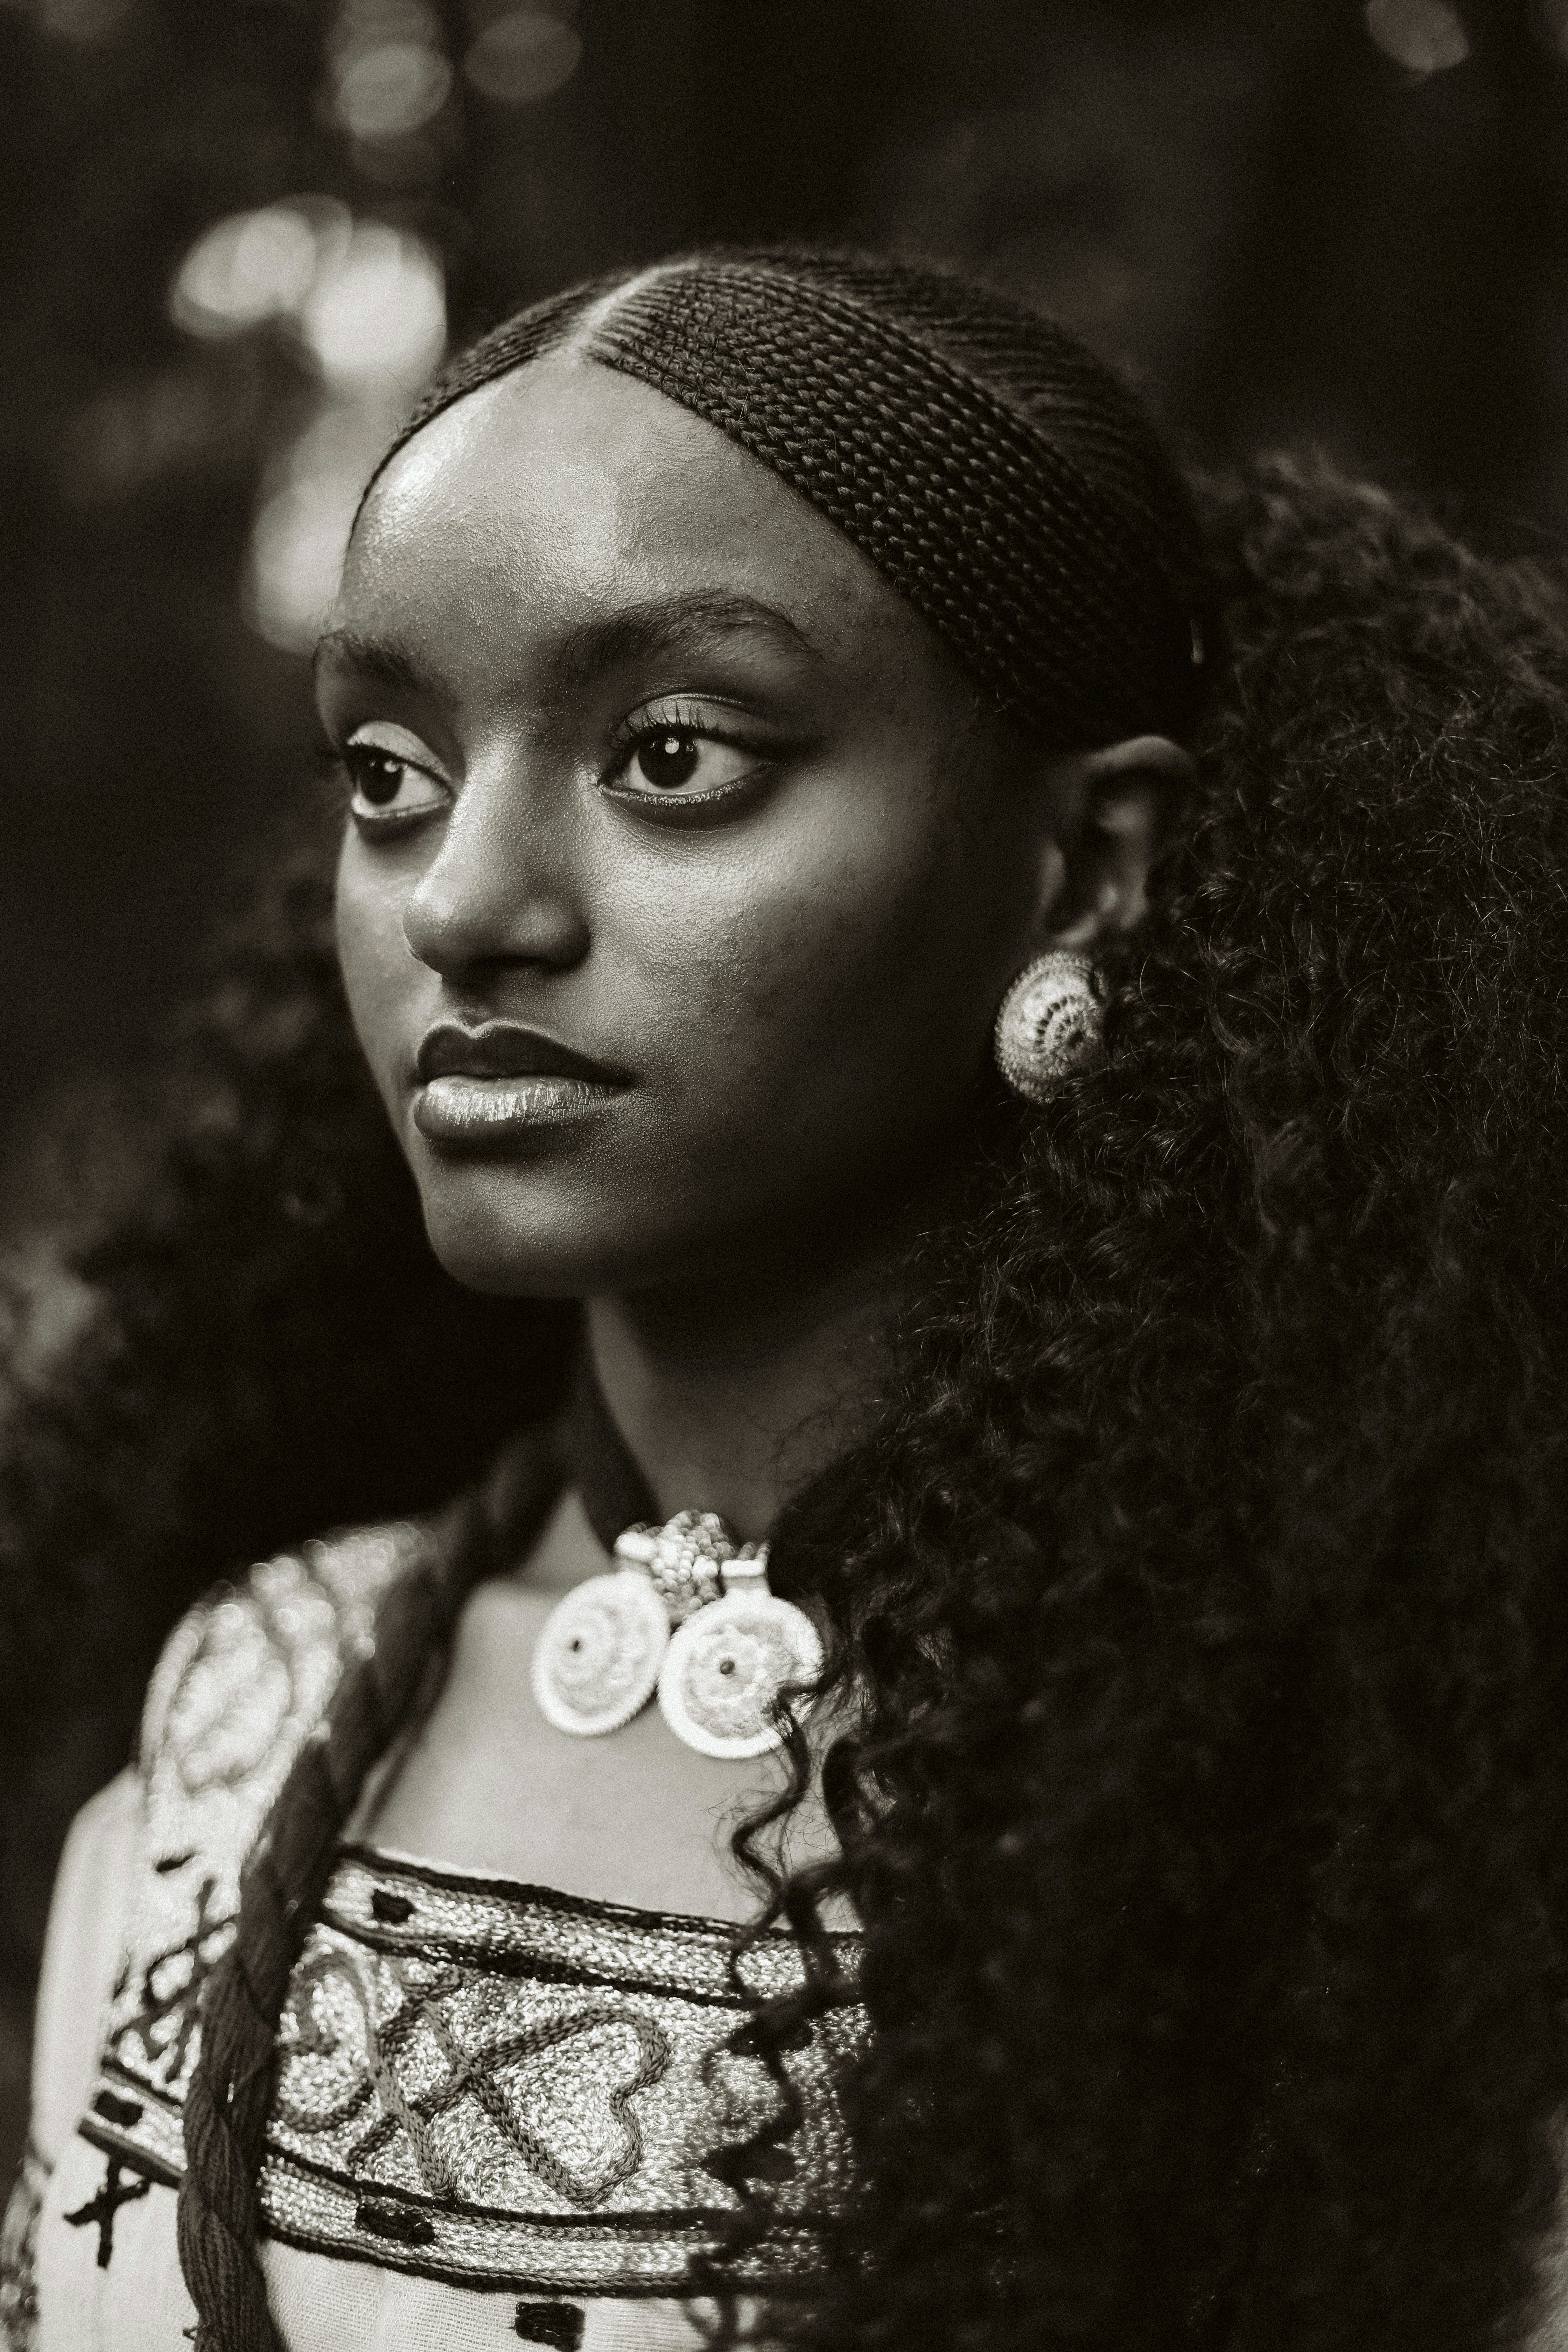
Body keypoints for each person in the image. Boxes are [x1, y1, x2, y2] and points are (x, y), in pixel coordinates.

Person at [4, 244, 1568, 2352]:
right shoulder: (240, 1713)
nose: (461, 900)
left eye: (671, 755)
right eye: (388, 772)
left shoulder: (1360, 1824)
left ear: (1089, 865)